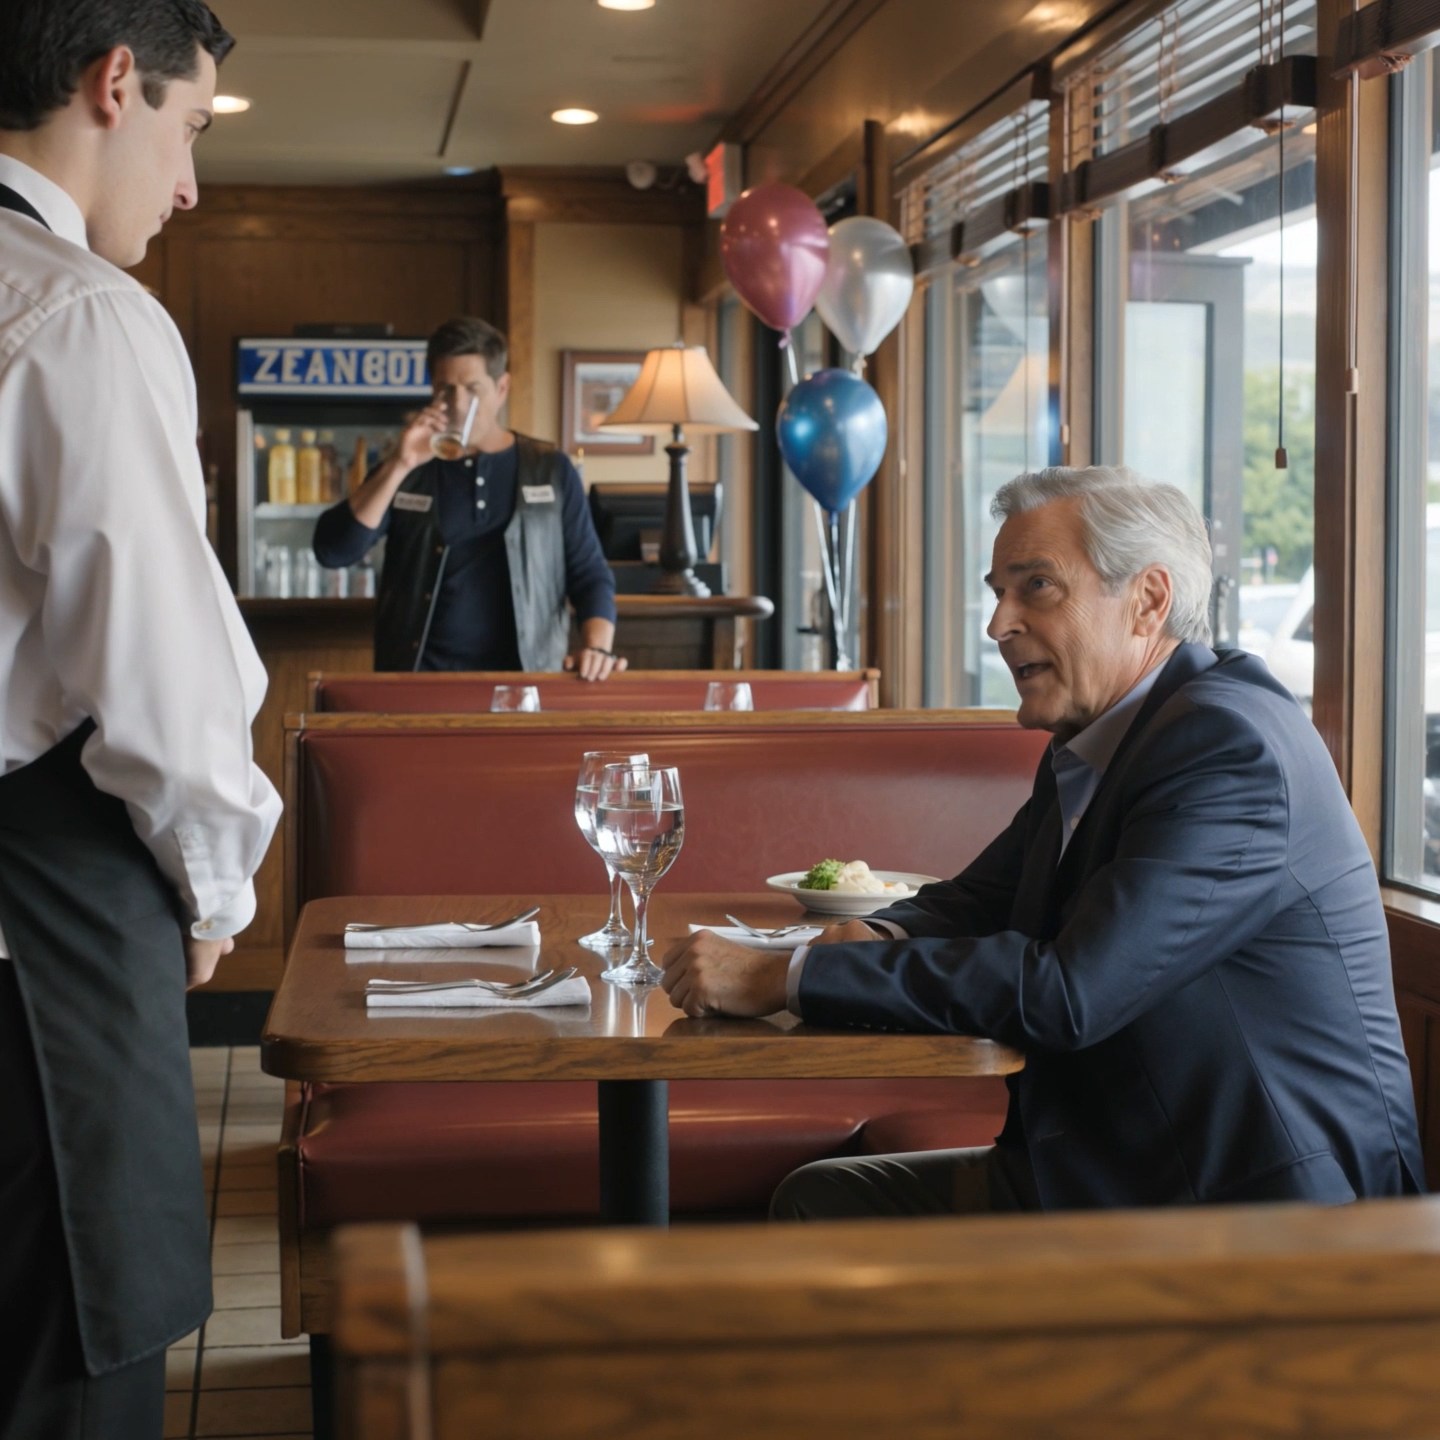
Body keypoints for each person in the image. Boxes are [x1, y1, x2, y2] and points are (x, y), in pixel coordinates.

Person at [660, 466, 1425, 1217]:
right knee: (824, 1198)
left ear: (1147, 601)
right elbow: (978, 902)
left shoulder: (1226, 749)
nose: (998, 625)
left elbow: (1072, 990)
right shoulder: (1106, 737)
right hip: (1116, 1171)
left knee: (830, 1211)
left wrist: (788, 975)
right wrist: (861, 934)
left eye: (1037, 586)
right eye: (998, 593)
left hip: (1254, 1210)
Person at [0, 3, 281, 1434]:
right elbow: (165, 691)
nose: (188, 186)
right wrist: (217, 887)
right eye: (191, 128)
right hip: (35, 941)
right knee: (69, 1370)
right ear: (116, 84)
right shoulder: (78, 316)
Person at [313, 316, 626, 679]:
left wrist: (597, 647)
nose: (458, 404)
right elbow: (334, 551)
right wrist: (400, 464)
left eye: (472, 389)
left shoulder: (550, 469)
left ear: (502, 388)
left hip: (525, 683)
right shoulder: (409, 468)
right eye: (445, 389)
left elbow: (590, 574)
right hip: (418, 684)